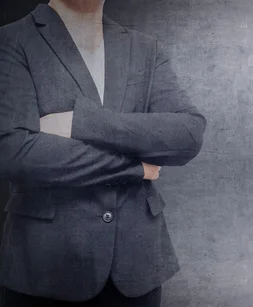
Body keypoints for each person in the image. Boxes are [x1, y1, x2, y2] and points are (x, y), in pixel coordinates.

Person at [0, 0, 207, 306]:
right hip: (44, 269)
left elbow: (188, 134)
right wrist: (135, 168)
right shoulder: (12, 40)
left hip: (137, 269)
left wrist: (82, 122)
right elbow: (13, 153)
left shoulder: (146, 48)